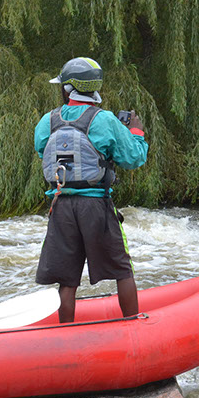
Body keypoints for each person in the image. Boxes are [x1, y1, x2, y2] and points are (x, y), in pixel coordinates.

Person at [34, 57, 148, 323]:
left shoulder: (47, 121)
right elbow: (133, 158)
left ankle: (66, 332)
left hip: (61, 207)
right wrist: (136, 132)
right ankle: (133, 325)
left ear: (67, 89)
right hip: (96, 206)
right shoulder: (105, 120)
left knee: (67, 279)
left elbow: (43, 151)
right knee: (122, 270)